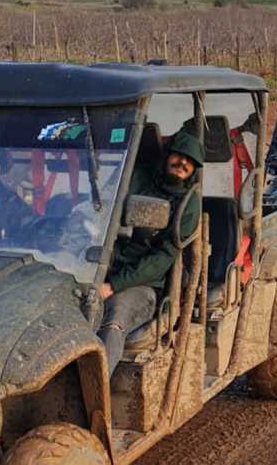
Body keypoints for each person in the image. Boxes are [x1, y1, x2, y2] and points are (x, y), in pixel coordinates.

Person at [98, 128, 205, 377]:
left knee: (114, 320)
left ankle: (96, 392)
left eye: (190, 161)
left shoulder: (189, 203)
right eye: (178, 155)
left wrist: (114, 285)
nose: (183, 163)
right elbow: (101, 206)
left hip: (143, 284)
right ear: (167, 155)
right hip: (101, 266)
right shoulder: (136, 176)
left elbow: (162, 258)